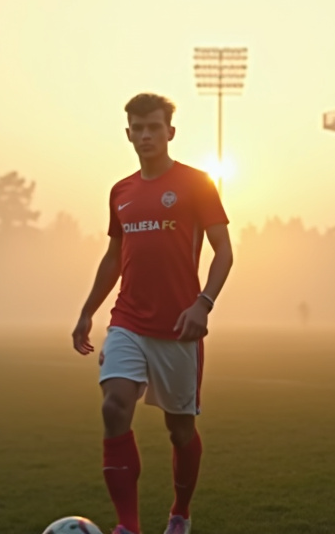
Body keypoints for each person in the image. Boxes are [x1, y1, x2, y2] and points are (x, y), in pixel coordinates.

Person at [72, 93, 233, 534]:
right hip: (128, 321)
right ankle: (129, 527)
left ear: (170, 133)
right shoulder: (120, 192)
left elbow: (224, 252)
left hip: (180, 328)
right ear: (128, 133)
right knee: (114, 405)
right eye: (137, 128)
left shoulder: (198, 183)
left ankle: (180, 513)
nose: (145, 135)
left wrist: (204, 303)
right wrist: (89, 311)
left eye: (154, 128)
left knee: (180, 430)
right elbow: (114, 257)